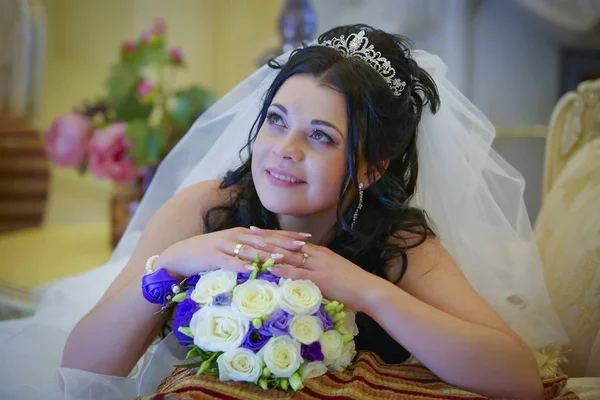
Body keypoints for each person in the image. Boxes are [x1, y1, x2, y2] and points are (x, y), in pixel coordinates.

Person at [0, 24, 576, 399]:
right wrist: (169, 265)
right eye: (276, 121)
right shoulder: (208, 211)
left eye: (321, 137)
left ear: (372, 168)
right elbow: (81, 372)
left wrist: (368, 291)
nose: (283, 150)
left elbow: (518, 377)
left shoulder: (397, 245)